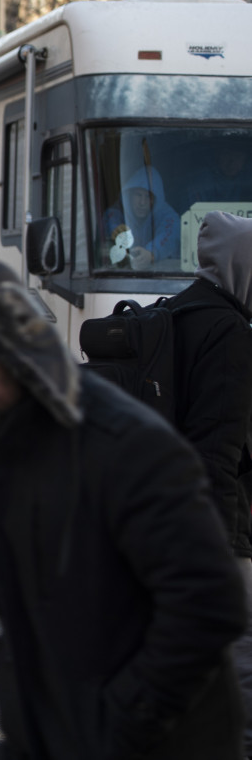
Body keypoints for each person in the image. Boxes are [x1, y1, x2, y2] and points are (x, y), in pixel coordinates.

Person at [0, 257, 246, 760]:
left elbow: (208, 604)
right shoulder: (6, 455)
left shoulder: (126, 444)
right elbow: (30, 622)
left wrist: (119, 725)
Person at [164, 210, 252, 756]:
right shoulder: (230, 332)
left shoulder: (174, 313)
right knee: (240, 660)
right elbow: (216, 450)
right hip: (216, 529)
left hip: (162, 518)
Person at [102, 165, 181, 269]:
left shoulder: (166, 214)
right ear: (129, 195)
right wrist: (118, 233)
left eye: (148, 196)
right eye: (138, 195)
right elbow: (110, 221)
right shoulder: (118, 211)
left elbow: (171, 233)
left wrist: (151, 253)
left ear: (156, 199)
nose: (142, 202)